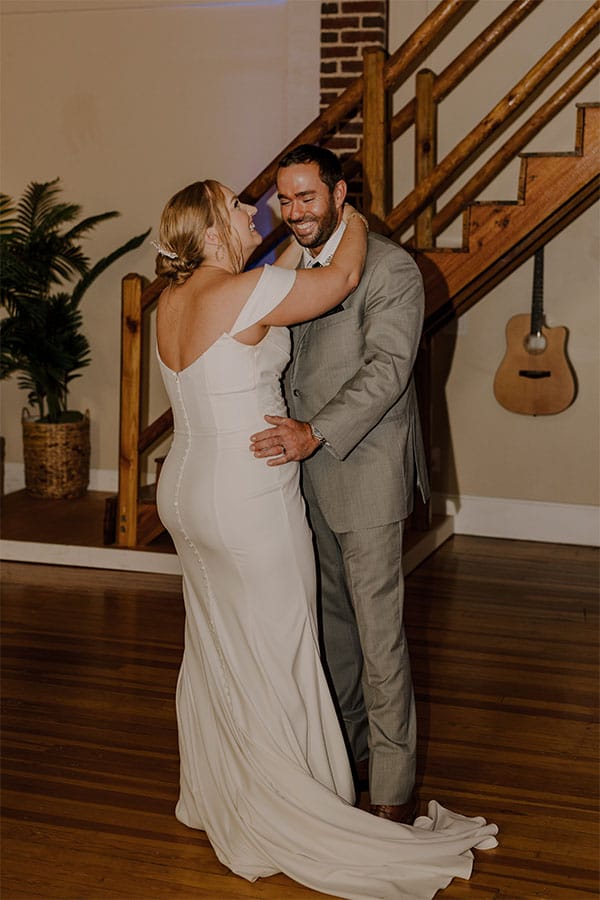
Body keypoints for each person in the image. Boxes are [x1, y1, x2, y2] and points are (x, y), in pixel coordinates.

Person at [154, 178, 497, 900]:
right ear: (214, 231)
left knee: (218, 641)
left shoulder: (170, 303)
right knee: (279, 641)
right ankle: (283, 801)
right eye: (239, 206)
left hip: (185, 489)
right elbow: (342, 277)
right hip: (245, 492)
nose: (257, 213)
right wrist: (354, 219)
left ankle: (220, 792)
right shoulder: (243, 287)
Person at [250, 144, 430, 825]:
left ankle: (392, 790)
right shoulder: (294, 266)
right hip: (303, 476)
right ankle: (348, 758)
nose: (295, 212)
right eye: (285, 199)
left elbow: (387, 370)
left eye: (308, 198)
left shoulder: (390, 268)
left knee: (380, 636)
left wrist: (314, 432)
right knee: (332, 629)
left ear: (339, 194)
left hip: (365, 468)